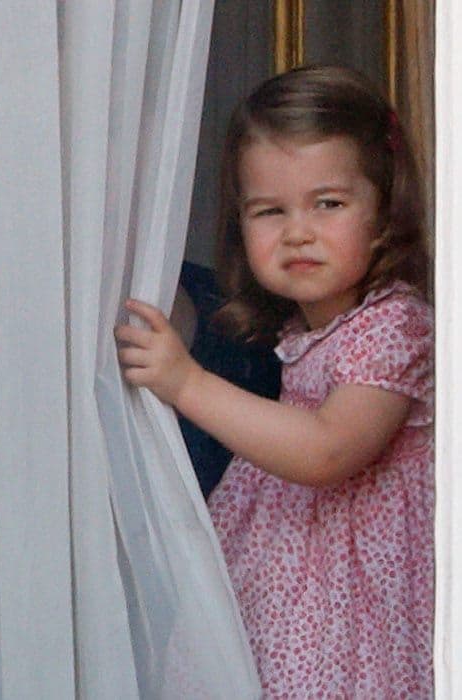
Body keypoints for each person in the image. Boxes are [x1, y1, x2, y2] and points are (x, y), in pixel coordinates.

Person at [115, 65, 433, 698]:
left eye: (329, 203)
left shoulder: (395, 324)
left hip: (352, 630)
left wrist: (187, 385)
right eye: (269, 211)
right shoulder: (300, 334)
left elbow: (327, 450)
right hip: (292, 618)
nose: (297, 231)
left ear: (385, 208)